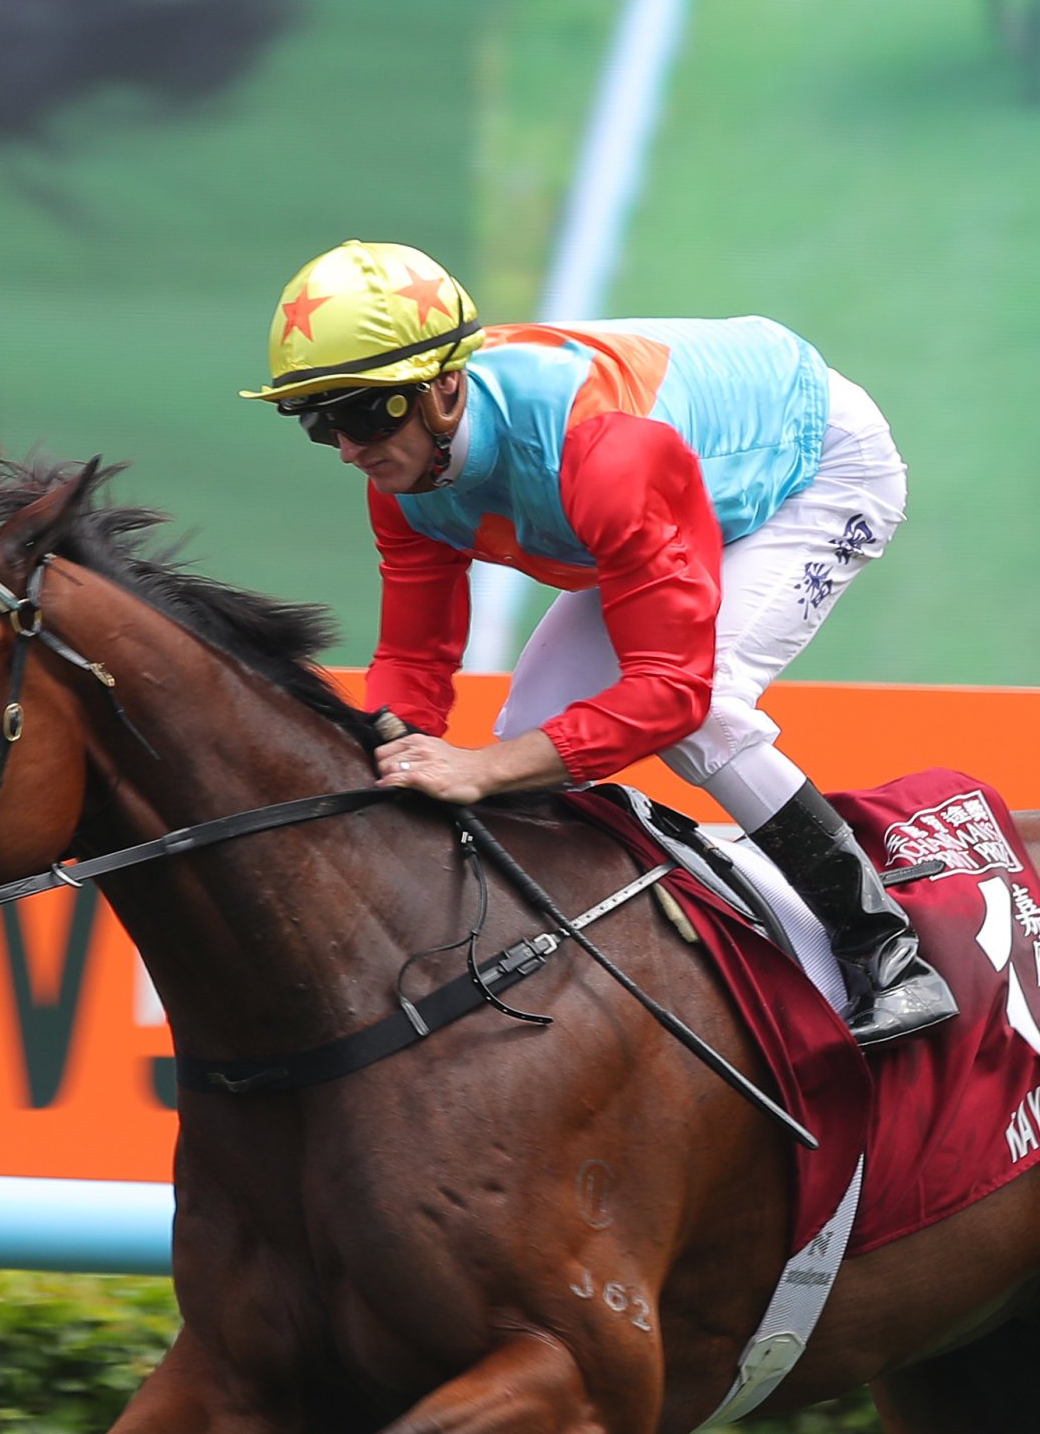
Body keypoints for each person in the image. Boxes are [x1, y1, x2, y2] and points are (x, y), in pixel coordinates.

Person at [245, 241, 955, 1046]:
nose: (346, 447)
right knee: (528, 744)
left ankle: (886, 951)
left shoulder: (601, 453)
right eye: (316, 420)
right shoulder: (401, 482)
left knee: (700, 709)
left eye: (365, 413)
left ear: (445, 391)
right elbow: (413, 665)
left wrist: (477, 768)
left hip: (811, 468)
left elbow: (670, 693)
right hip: (664, 487)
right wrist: (385, 756)